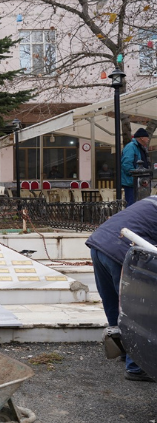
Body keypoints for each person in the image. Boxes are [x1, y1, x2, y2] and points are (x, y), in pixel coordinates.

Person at [86, 197, 157, 382]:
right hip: (120, 249)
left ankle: (124, 352)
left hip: (99, 243)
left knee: (113, 303)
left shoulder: (151, 201)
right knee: (135, 308)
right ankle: (136, 366)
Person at [121, 128, 151, 206]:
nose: (148, 139)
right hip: (132, 183)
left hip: (139, 183)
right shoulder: (131, 147)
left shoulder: (140, 147)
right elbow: (126, 164)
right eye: (147, 137)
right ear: (141, 138)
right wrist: (136, 176)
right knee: (132, 205)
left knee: (138, 206)